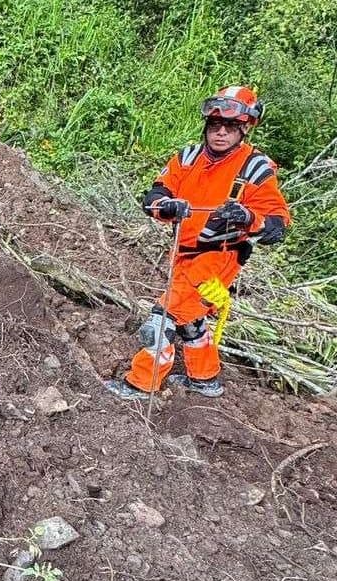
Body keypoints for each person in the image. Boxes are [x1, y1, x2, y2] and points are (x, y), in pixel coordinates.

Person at [106, 86, 291, 400]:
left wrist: (247, 217)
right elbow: (154, 195)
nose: (220, 133)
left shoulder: (255, 168)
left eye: (229, 128)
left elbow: (277, 223)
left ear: (244, 128)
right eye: (214, 126)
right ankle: (204, 379)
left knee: (162, 318)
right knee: (190, 317)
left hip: (220, 257)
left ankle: (139, 384)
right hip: (182, 252)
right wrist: (165, 205)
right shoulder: (187, 157)